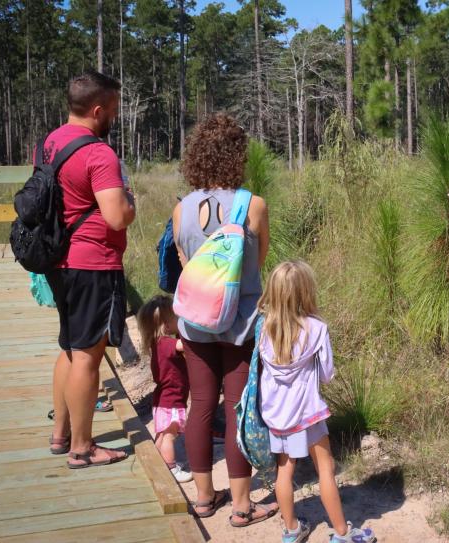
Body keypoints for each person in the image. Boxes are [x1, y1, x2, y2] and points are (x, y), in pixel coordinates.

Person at [171, 113, 276, 524]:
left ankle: (202, 497)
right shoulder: (254, 206)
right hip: (240, 322)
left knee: (200, 404)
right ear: (238, 157)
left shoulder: (182, 209)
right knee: (237, 407)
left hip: (195, 322)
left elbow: (185, 265)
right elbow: (257, 263)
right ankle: (241, 505)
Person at [46, 71, 135, 467]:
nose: (114, 116)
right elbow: (116, 217)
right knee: (88, 356)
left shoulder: (52, 141)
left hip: (61, 261)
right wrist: (130, 201)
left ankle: (61, 434)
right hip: (93, 263)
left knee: (69, 347)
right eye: (113, 110)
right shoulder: (99, 153)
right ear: (97, 110)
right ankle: (83, 448)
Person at [258, 260, 377, 543]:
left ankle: (291, 530)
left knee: (284, 470)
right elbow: (326, 375)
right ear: (305, 292)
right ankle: (342, 533)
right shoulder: (316, 328)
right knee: (326, 468)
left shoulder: (264, 328)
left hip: (277, 414)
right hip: (307, 413)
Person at [137, 295, 192, 483]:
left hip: (163, 398)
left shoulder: (156, 343)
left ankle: (157, 462)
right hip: (172, 398)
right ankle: (171, 468)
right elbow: (183, 345)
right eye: (177, 317)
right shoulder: (167, 343)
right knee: (170, 434)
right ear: (167, 325)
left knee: (162, 433)